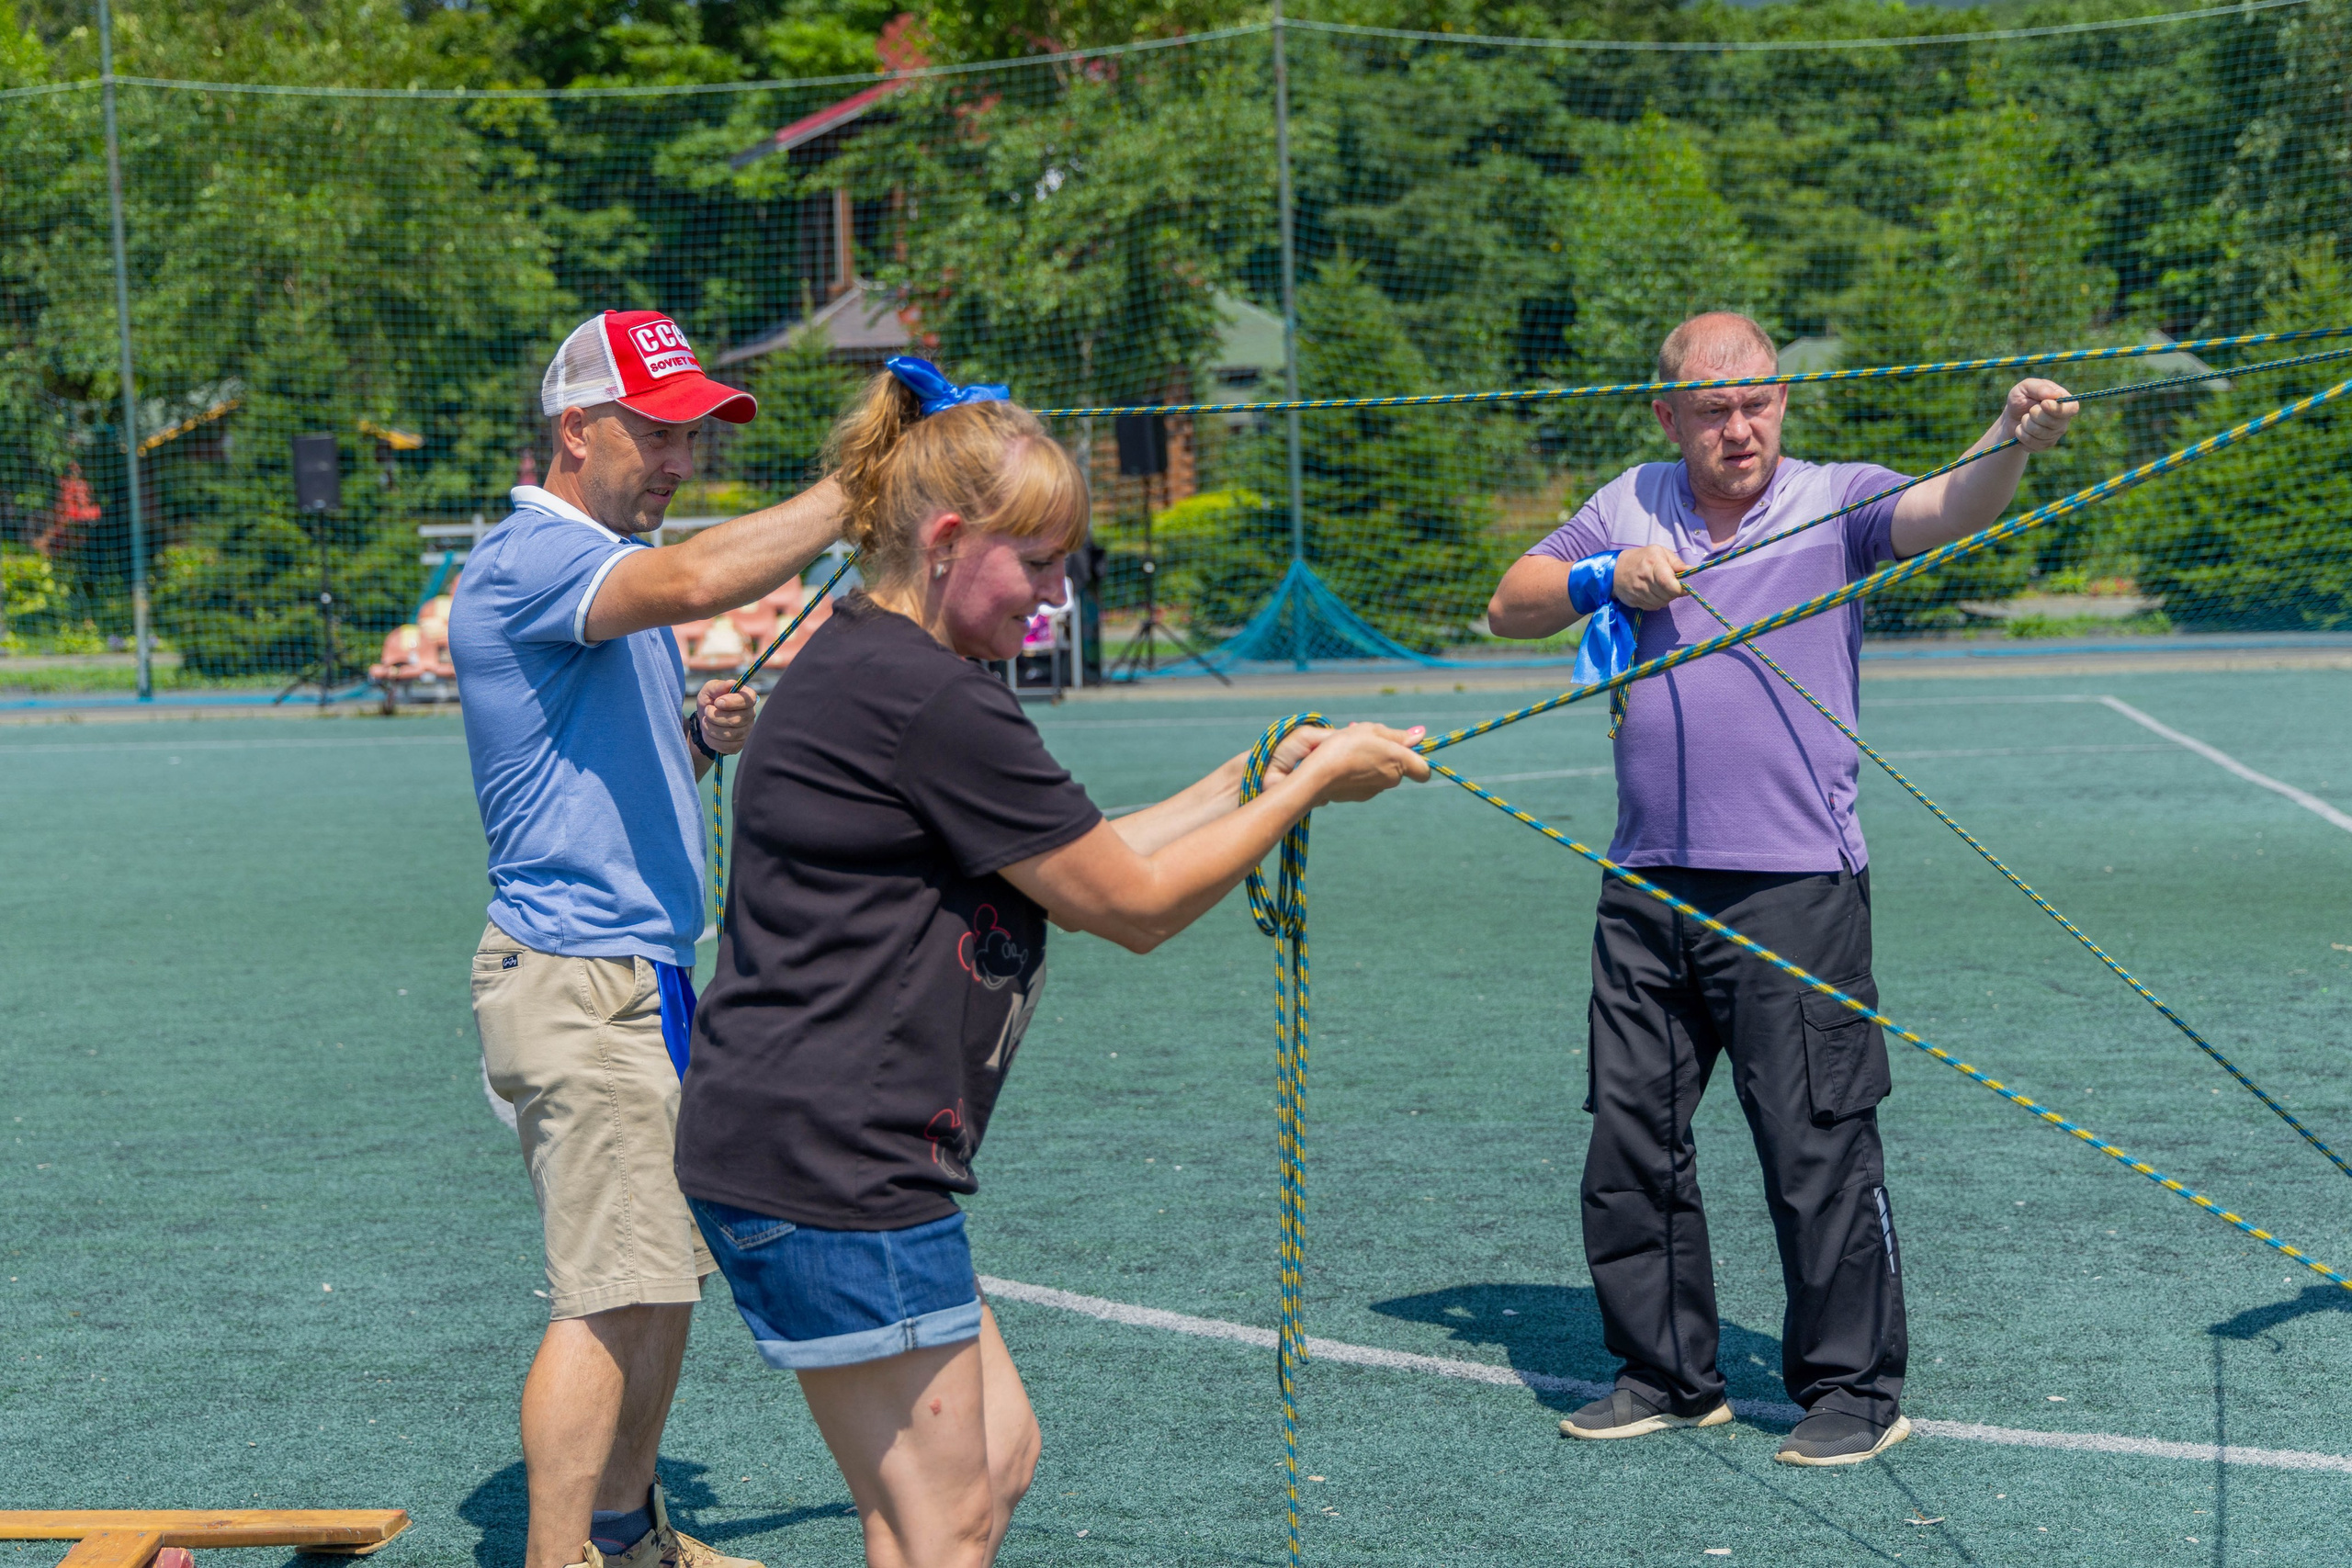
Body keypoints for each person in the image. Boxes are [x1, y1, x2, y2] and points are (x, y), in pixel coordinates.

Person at [673, 359, 1429, 1568]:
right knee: (949, 1513)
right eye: (1040, 563)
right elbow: (1131, 906)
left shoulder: (884, 662)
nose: (1056, 594)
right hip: (829, 1163)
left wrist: (1254, 775)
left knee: (989, 1460)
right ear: (949, 539)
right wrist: (1310, 791)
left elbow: (1079, 862)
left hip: (805, 1150)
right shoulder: (928, 698)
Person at [1487, 311, 2078, 1467]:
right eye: (1712, 410)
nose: (1739, 427)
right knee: (1629, 1140)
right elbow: (1511, 601)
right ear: (1668, 416)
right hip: (1647, 882)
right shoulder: (1629, 500)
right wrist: (1607, 575)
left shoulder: (1831, 497)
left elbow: (1945, 509)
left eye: (1756, 402)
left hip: (1795, 886)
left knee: (1815, 1146)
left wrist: (2007, 434)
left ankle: (1854, 1391)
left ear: (1781, 404)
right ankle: (1665, 1372)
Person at [450, 309, 845, 1568]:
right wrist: (867, 482)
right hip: (579, 976)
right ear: (578, 428)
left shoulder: (593, 563)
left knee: (660, 1275)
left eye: (695, 435)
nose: (682, 460)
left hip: (642, 975)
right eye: (659, 431)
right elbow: (696, 579)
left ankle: (624, 1538)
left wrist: (691, 737)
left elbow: (577, 765)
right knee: (611, 1288)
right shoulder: (536, 556)